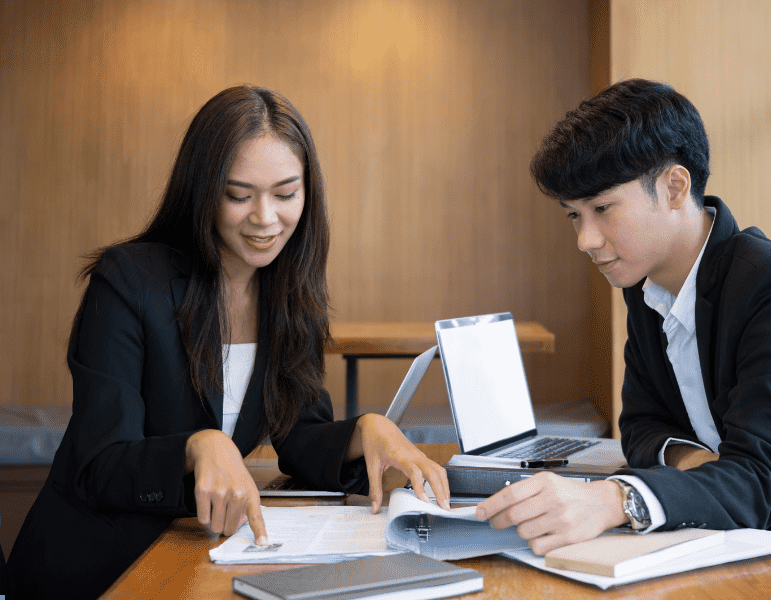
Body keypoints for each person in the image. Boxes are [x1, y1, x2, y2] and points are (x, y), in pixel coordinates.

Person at [7, 85, 450, 599]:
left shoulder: (288, 290)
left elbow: (299, 435)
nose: (265, 218)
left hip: (199, 557)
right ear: (203, 192)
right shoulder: (128, 282)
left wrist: (366, 431)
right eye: (239, 195)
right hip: (96, 567)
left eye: (286, 194)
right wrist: (199, 448)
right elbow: (99, 464)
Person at [476, 78, 771, 599]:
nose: (585, 240)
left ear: (675, 188)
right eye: (574, 216)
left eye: (603, 210)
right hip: (720, 543)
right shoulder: (647, 285)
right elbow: (640, 424)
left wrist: (616, 500)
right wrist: (695, 462)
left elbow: (761, 484)